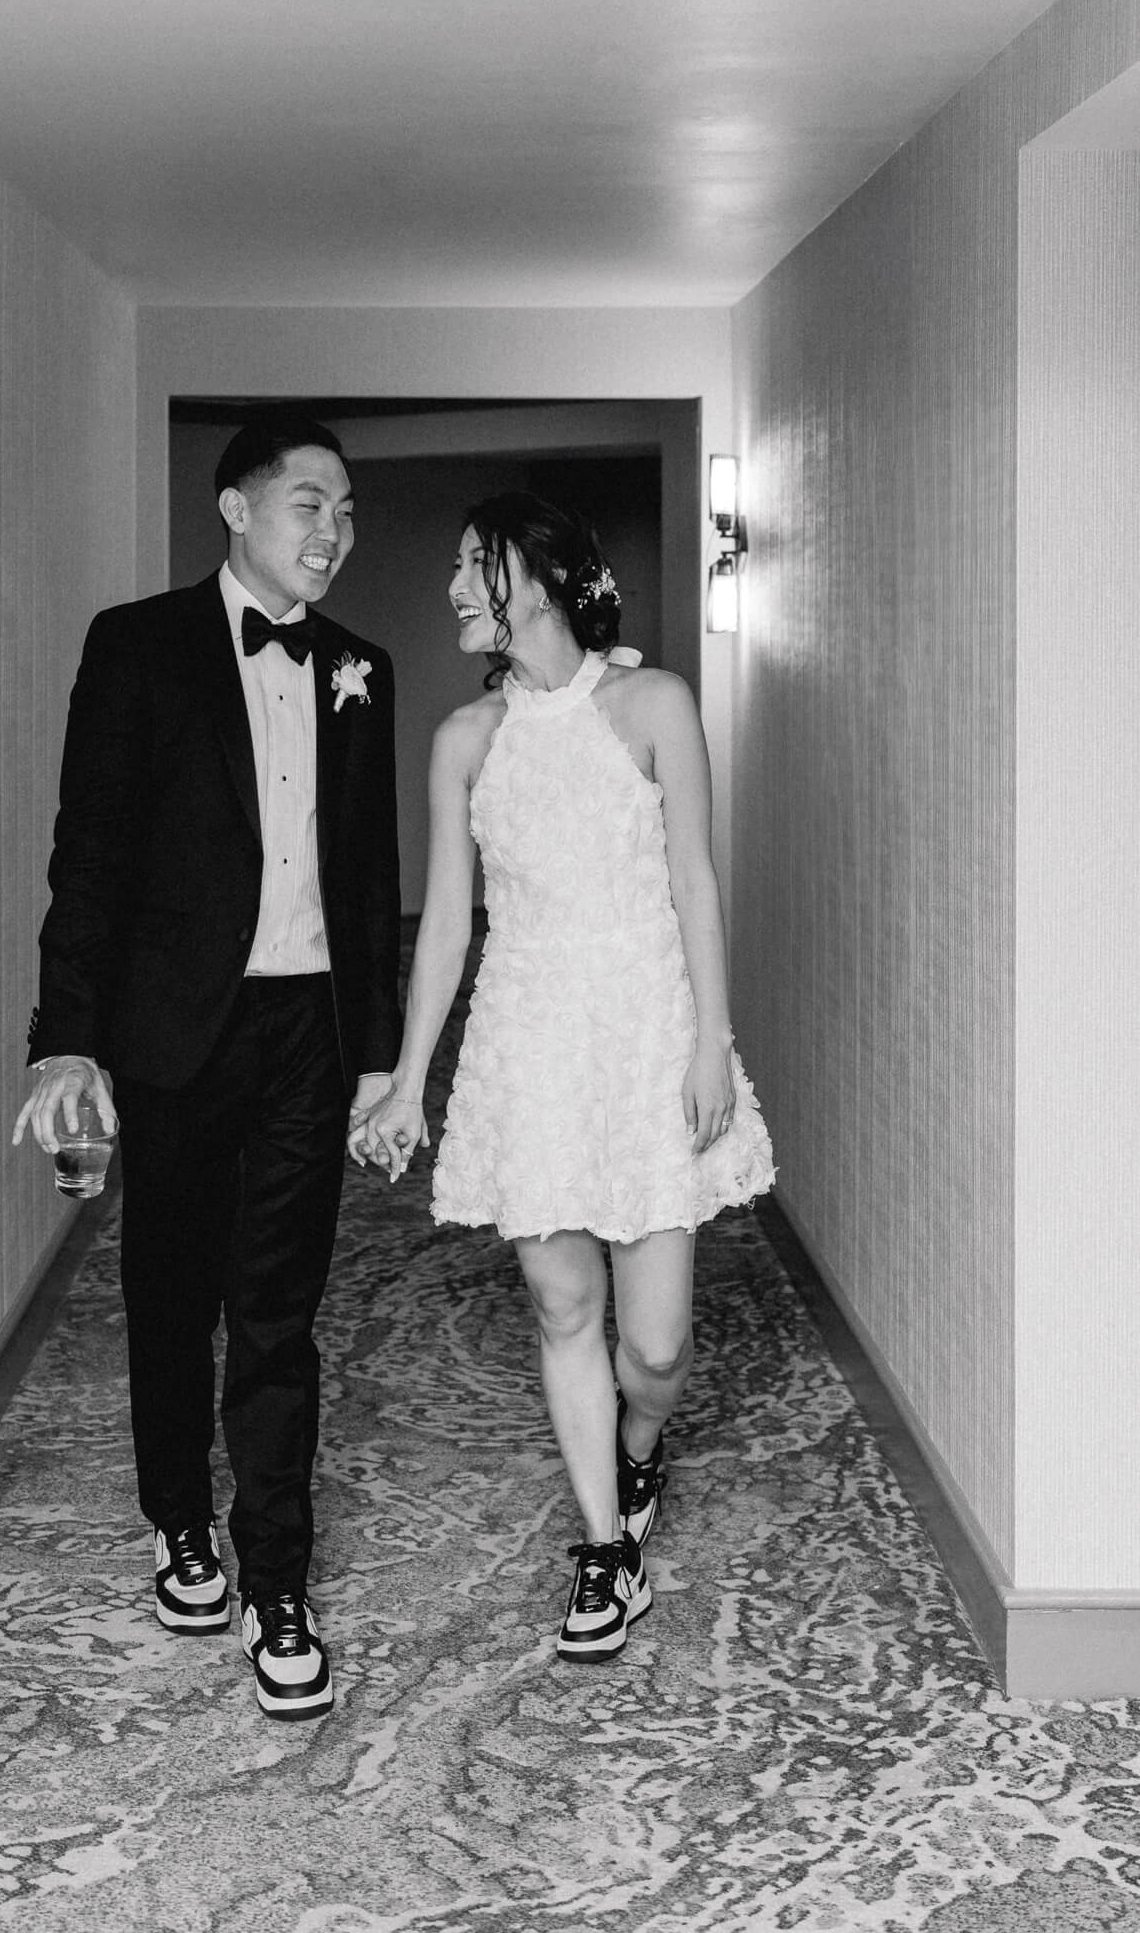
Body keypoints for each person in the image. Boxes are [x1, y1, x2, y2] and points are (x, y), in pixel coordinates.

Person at [15, 411, 401, 1721]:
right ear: (236, 509)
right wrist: (69, 1033)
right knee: (174, 1290)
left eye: (346, 511)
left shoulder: (362, 668)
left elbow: (367, 873)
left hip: (308, 1027)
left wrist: (381, 1057)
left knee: (281, 1298)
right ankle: (180, 1518)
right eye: (308, 504)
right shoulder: (137, 648)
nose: (333, 533)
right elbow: (92, 856)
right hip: (176, 1026)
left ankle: (277, 1576)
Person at [352, 492, 773, 1662]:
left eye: (466, 563)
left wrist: (708, 1043)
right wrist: (404, 1076)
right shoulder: (461, 740)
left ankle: (642, 1447)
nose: (449, 586)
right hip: (526, 1042)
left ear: (532, 580)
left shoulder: (653, 704)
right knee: (562, 1305)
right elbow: (444, 926)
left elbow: (694, 879)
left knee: (657, 1346)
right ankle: (605, 1554)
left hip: (640, 1037)